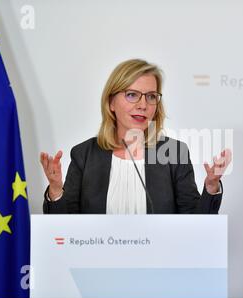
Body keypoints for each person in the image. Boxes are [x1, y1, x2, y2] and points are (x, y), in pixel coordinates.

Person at [40, 59, 232, 214]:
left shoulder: (173, 153)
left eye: (150, 96)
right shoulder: (84, 154)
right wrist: (56, 190)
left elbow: (195, 227)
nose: (143, 105)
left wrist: (211, 186)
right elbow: (65, 230)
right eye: (132, 95)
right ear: (111, 103)